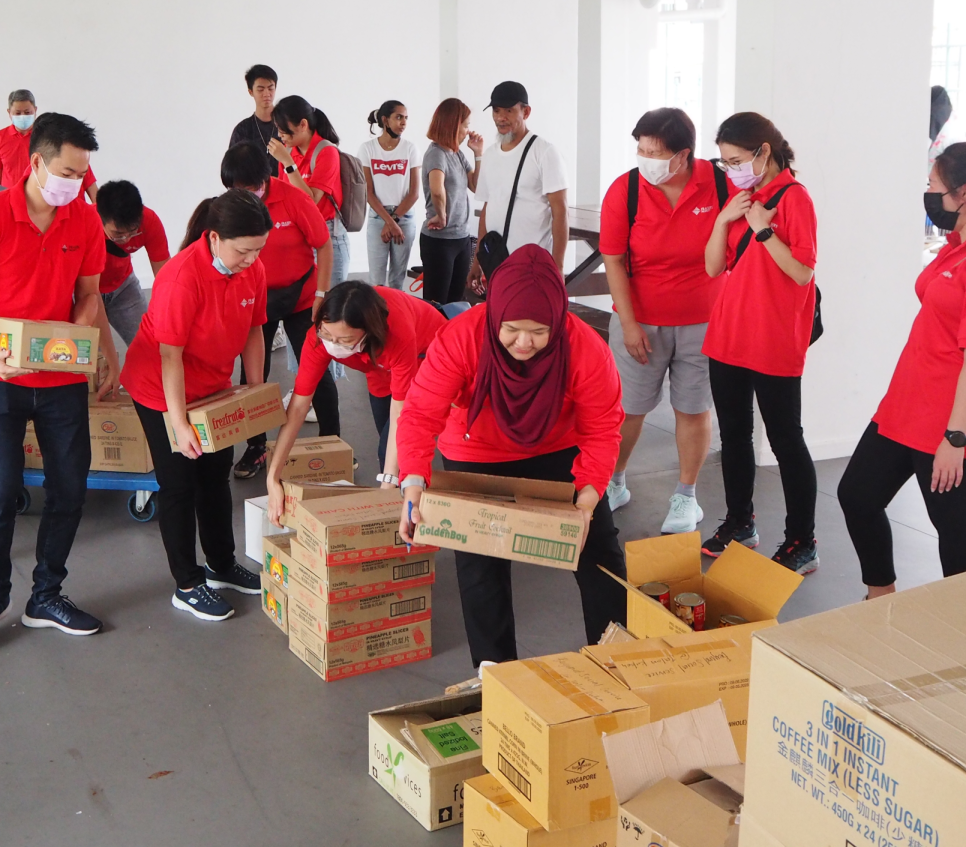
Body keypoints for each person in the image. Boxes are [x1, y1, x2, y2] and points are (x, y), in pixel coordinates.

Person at [396, 246, 626, 666]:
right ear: (494, 313)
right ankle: (494, 675)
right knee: (480, 563)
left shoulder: (585, 348)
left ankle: (616, 659)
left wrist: (587, 503)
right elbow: (419, 414)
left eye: (540, 331)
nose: (525, 342)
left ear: (558, 321)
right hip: (475, 450)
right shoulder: (462, 337)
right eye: (513, 328)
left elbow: (602, 429)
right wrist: (413, 482)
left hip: (557, 448)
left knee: (599, 553)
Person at [0, 113, 118, 648]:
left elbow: (90, 293)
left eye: (84, 173)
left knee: (70, 489)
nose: (78, 183)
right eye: (70, 172)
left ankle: (46, 595)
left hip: (60, 375)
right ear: (38, 163)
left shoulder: (85, 221)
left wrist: (81, 337)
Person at [839, 143, 966, 597]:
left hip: (954, 417)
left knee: (952, 524)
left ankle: (960, 619)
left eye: (933, 186)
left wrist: (955, 439)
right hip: (910, 401)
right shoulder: (960, 246)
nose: (928, 194)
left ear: (964, 192)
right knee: (858, 495)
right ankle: (880, 598)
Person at [122, 190, 273, 621]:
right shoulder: (181, 276)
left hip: (211, 389)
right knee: (179, 484)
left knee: (215, 477)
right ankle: (187, 583)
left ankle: (222, 565)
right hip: (160, 391)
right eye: (243, 250)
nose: (250, 259)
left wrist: (254, 395)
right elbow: (169, 356)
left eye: (258, 250)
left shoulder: (253, 269)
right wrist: (178, 423)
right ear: (214, 237)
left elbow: (254, 332)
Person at [698, 112, 820, 575]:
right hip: (728, 335)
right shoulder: (740, 197)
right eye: (724, 162)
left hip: (773, 340)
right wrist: (724, 220)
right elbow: (713, 268)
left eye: (735, 160)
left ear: (763, 152)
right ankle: (739, 522)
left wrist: (762, 228)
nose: (730, 170)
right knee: (734, 435)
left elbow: (802, 272)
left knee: (787, 440)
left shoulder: (795, 199)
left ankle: (802, 540)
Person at [597, 108, 727, 534]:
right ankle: (614, 482)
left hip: (704, 321)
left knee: (692, 408)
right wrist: (630, 325)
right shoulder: (626, 190)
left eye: (654, 151)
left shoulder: (719, 184)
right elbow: (614, 261)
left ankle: (686, 497)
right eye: (640, 148)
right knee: (628, 409)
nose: (645, 158)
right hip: (641, 321)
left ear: (683, 155)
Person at [264, 281, 446, 520]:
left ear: (369, 331)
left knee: (397, 447)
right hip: (377, 368)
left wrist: (388, 484)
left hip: (427, 359)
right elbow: (298, 406)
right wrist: (272, 478)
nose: (333, 344)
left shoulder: (398, 332)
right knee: (386, 438)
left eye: (344, 340)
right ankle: (394, 505)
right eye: (327, 334)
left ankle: (404, 516)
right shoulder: (319, 340)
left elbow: (400, 413)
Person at [218, 143, 338, 480]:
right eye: (233, 190)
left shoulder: (293, 198)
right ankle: (256, 447)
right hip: (256, 303)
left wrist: (321, 295)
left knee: (316, 371)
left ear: (263, 179)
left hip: (301, 298)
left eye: (247, 188)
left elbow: (324, 244)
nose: (241, 195)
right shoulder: (232, 209)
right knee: (254, 376)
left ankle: (333, 440)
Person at [469, 81, 569, 292]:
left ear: (526, 112)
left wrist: (558, 266)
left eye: (509, 111)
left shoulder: (544, 152)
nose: (500, 118)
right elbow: (488, 207)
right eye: (496, 111)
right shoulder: (490, 155)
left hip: (532, 267)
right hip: (496, 264)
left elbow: (560, 211)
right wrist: (477, 260)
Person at [268, 95, 349, 291]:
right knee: (308, 302)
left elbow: (311, 200)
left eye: (283, 130)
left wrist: (288, 163)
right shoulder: (289, 152)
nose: (281, 136)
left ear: (303, 124)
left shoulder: (326, 152)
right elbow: (284, 195)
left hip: (328, 234)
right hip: (299, 234)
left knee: (330, 302)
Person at [419, 97, 483, 307]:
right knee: (436, 304)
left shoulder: (457, 154)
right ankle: (432, 341)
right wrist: (442, 215)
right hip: (440, 241)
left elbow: (476, 186)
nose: (467, 131)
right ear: (453, 125)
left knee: (456, 303)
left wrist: (478, 155)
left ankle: (450, 340)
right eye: (465, 125)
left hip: (461, 238)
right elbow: (437, 190)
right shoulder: (436, 154)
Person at [95, 180, 171, 347]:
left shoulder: (149, 221)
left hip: (124, 287)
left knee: (149, 345)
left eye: (132, 232)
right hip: (87, 291)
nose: (126, 239)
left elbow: (165, 277)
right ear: (101, 218)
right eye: (118, 234)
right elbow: (86, 289)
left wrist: (167, 319)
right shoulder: (86, 224)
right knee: (88, 356)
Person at [0, 89, 97, 200]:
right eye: (17, 113)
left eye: (27, 112)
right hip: (12, 200)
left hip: (49, 200)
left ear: (35, 110)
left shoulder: (46, 137)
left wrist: (99, 209)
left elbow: (85, 175)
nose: (22, 116)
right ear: (9, 112)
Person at [359, 101, 420, 290]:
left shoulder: (410, 148)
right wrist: (390, 223)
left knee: (397, 281)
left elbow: (414, 193)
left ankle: (396, 318)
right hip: (378, 217)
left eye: (406, 118)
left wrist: (394, 220)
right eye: (399, 117)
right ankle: (377, 319)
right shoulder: (367, 148)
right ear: (385, 120)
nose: (403, 122)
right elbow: (367, 192)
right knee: (376, 282)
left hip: (404, 217)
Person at [227, 64, 282, 178]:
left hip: (285, 190)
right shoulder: (242, 130)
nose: (267, 94)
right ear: (250, 92)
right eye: (260, 89)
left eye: (271, 88)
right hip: (253, 191)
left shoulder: (286, 124)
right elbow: (233, 168)